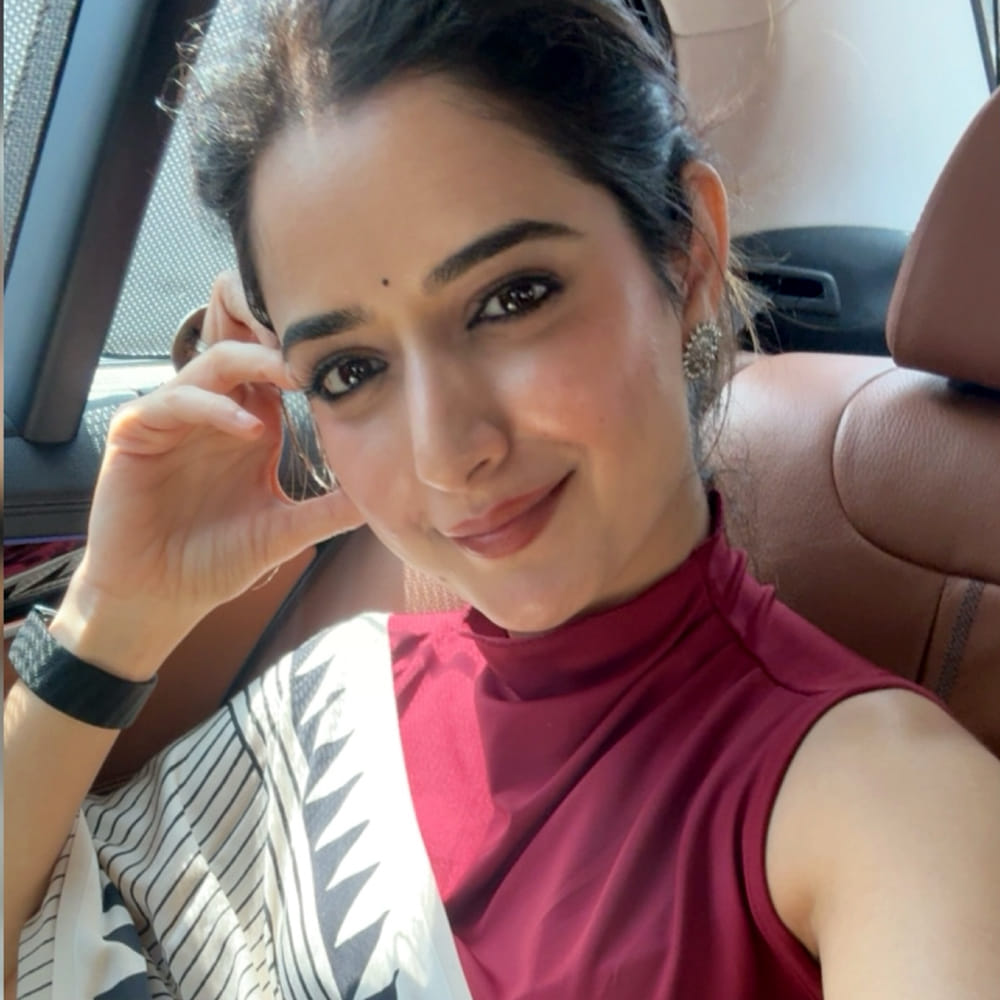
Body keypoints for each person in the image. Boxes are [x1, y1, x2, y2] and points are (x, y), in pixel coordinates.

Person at [5, 1, 1000, 997]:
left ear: (688, 253)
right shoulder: (342, 684)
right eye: (351, 369)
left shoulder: (885, 806)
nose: (447, 454)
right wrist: (116, 615)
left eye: (512, 298)